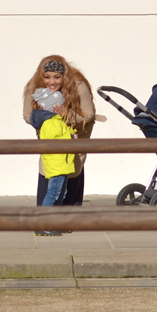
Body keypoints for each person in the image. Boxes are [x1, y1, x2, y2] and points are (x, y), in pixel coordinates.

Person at [22, 55, 98, 206]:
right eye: (47, 77)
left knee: (71, 169)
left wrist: (67, 115)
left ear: (64, 75)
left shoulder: (78, 85)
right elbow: (27, 115)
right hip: (51, 136)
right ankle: (46, 222)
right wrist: (43, 117)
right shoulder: (33, 87)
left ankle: (69, 219)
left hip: (75, 135)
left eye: (57, 77)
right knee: (50, 170)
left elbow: (89, 115)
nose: (52, 82)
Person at [29, 88, 79, 237]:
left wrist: (69, 132)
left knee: (60, 193)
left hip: (61, 163)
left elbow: (62, 133)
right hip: (57, 164)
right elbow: (53, 142)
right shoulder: (50, 123)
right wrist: (71, 139)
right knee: (53, 193)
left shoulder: (56, 121)